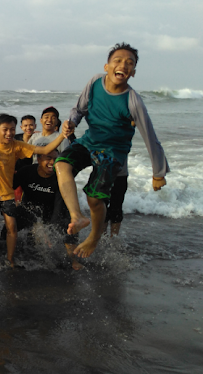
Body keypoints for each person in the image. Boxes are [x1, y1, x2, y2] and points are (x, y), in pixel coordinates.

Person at [56, 42, 169, 258]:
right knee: (61, 164)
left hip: (112, 153)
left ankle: (94, 237)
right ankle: (77, 216)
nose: (123, 65)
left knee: (95, 198)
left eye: (130, 63)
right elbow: (79, 109)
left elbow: (150, 138)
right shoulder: (95, 82)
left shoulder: (133, 101)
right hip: (89, 142)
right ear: (107, 66)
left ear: (133, 73)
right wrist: (71, 122)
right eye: (118, 61)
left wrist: (158, 173)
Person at [0, 113, 70, 267]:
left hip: (6, 193)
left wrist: (63, 135)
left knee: (12, 227)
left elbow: (44, 150)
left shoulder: (17, 145)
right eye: (5, 130)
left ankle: (10, 259)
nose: (9, 133)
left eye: (12, 129)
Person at [7, 150, 82, 270]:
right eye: (48, 158)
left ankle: (72, 259)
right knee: (9, 224)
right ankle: (9, 250)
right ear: (39, 159)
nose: (52, 162)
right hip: (30, 209)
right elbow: (9, 188)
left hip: (53, 209)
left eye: (55, 159)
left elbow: (59, 207)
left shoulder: (60, 177)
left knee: (68, 224)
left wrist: (48, 230)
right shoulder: (27, 171)